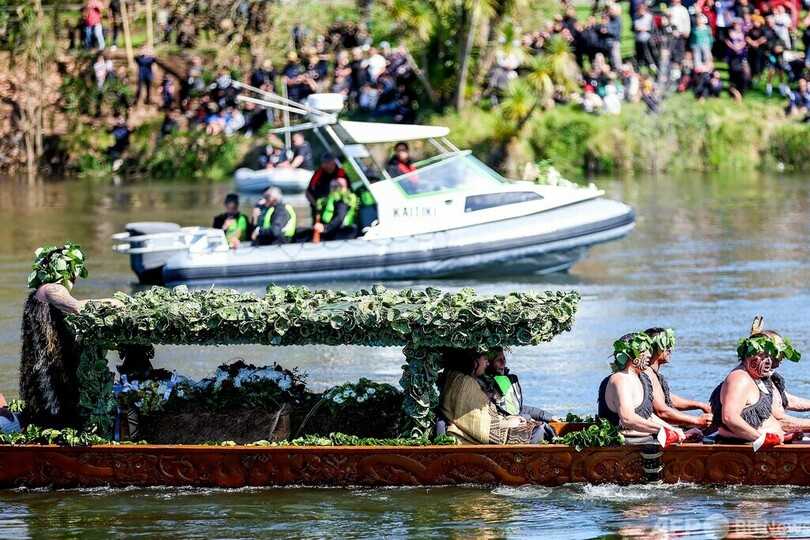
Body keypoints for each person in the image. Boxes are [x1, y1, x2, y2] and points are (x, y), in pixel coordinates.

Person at [20, 243, 122, 429]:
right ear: (67, 272)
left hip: (40, 366)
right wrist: (111, 302)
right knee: (58, 412)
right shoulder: (52, 288)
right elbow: (75, 307)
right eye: (75, 273)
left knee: (47, 411)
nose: (75, 279)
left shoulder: (38, 293)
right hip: (48, 369)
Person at [439, 349, 544, 444]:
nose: (487, 363)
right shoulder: (464, 383)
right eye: (485, 359)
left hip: (474, 434)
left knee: (537, 426)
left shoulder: (458, 379)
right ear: (473, 360)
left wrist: (509, 419)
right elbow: (477, 426)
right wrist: (508, 423)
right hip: (469, 440)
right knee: (538, 431)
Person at [598, 332, 685, 445]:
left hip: (646, 441)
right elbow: (628, 419)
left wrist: (675, 431)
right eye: (645, 350)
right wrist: (663, 430)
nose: (649, 354)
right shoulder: (620, 379)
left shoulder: (642, 379)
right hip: (623, 446)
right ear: (632, 355)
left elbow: (648, 416)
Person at [708, 333, 786, 448]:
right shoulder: (739, 379)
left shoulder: (754, 377)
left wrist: (783, 434)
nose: (768, 361)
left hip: (768, 444)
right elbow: (729, 417)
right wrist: (761, 439)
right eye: (762, 356)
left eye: (770, 356)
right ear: (748, 355)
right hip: (746, 449)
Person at [746, 318, 810, 431]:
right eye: (779, 353)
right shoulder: (753, 382)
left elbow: (789, 401)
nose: (782, 358)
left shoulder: (769, 379)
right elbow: (781, 422)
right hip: (759, 441)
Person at [642, 328, 713, 429]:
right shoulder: (647, 374)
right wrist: (697, 420)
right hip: (657, 430)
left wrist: (700, 405)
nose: (670, 349)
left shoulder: (654, 372)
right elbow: (662, 412)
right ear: (654, 347)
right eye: (666, 345)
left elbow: (666, 398)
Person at [484, 348, 560, 426]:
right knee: (541, 428)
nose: (503, 362)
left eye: (504, 359)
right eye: (499, 360)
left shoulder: (507, 380)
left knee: (545, 426)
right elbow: (502, 414)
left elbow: (518, 409)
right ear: (488, 363)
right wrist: (527, 418)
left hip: (517, 419)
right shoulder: (486, 386)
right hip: (506, 424)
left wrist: (547, 416)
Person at [306, 152, 347, 221]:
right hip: (318, 210)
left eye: (327, 162)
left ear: (333, 162)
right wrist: (317, 206)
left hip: (335, 210)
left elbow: (346, 191)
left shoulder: (340, 174)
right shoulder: (318, 174)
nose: (324, 165)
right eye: (323, 163)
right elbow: (308, 192)